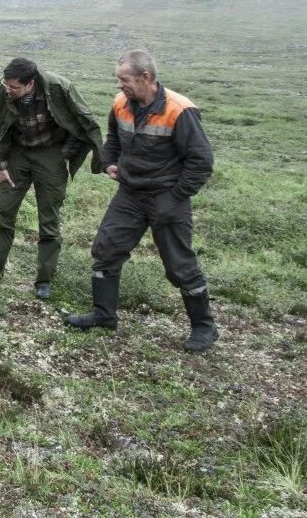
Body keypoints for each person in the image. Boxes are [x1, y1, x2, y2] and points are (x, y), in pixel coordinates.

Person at [66, 50, 217, 353]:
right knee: (106, 250)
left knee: (180, 266)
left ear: (145, 77)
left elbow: (201, 162)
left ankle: (204, 326)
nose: (119, 85)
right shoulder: (121, 103)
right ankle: (104, 315)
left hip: (168, 198)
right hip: (129, 195)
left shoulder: (180, 110)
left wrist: (174, 197)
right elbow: (112, 135)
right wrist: (109, 161)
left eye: (124, 79)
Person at [0, 58, 104, 299]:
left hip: (50, 154)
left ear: (30, 84)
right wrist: (2, 166)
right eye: (6, 85)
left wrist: (62, 155)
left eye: (14, 87)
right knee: (3, 213)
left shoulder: (59, 89)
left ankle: (44, 281)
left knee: (49, 220)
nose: (8, 90)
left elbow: (81, 123)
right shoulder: (2, 91)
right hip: (17, 154)